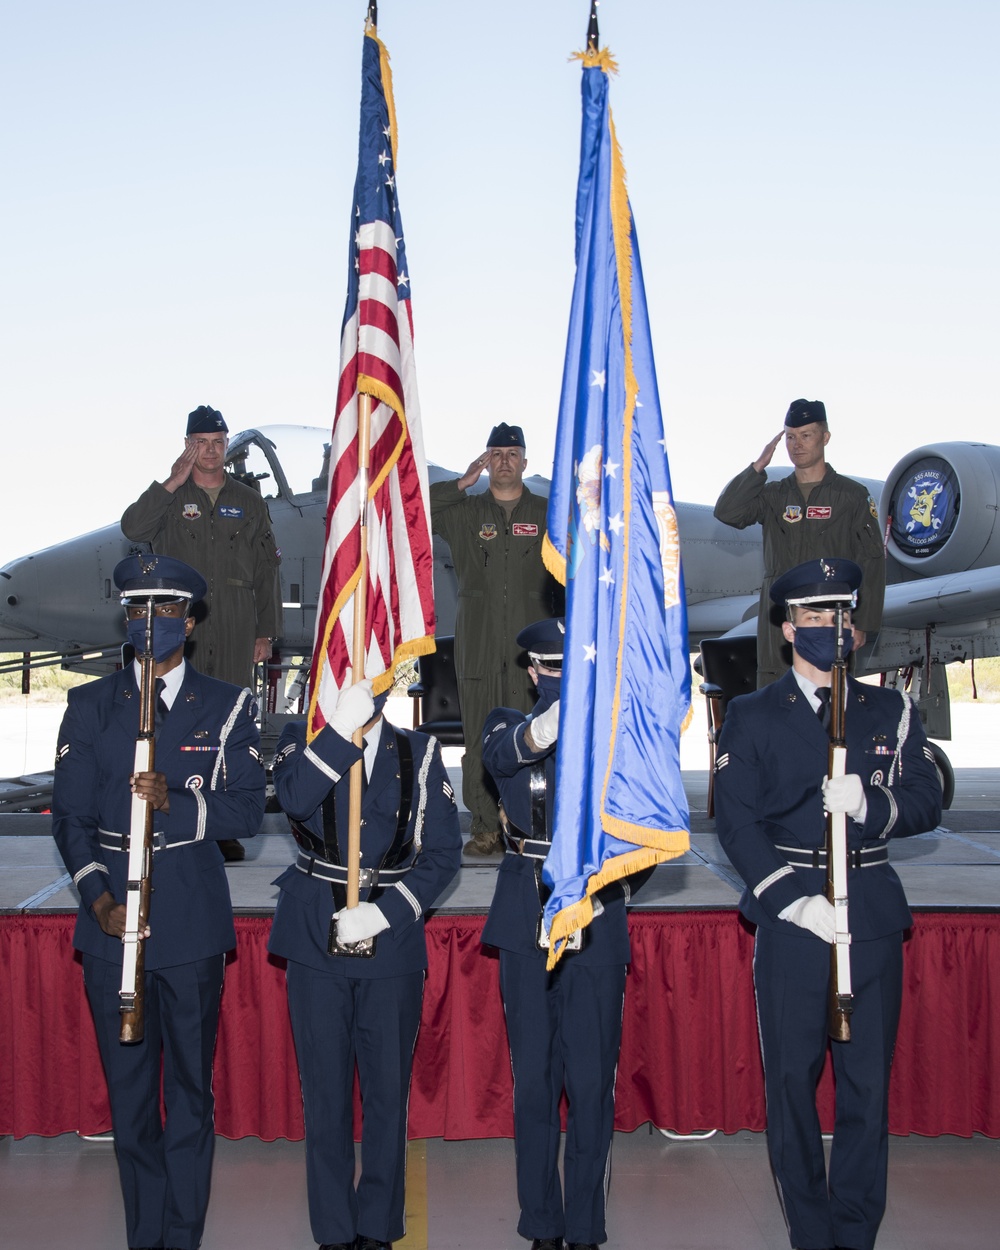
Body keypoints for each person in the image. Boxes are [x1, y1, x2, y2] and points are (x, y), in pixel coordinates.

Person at [714, 558, 942, 1250]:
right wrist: (790, 901)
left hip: (869, 912)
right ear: (787, 629)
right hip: (794, 918)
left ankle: (854, 1232)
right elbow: (735, 822)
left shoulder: (889, 709)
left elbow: (930, 795)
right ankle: (810, 1232)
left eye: (841, 614)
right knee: (791, 1083)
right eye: (815, 616)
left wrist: (874, 805)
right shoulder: (752, 716)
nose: (832, 627)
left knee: (867, 1088)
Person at [52, 554, 266, 1250]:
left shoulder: (229, 706)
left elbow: (244, 813)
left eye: (166, 610)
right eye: (137, 610)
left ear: (191, 620)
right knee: (132, 1098)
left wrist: (180, 801)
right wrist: (98, 899)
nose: (150, 623)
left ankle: (183, 1235)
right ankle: (144, 1235)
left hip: (191, 922)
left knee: (190, 1098)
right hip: (112, 923)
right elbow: (70, 819)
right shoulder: (89, 705)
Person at [268, 680, 462, 1250]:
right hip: (314, 935)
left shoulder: (419, 752)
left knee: (387, 1092)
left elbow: (443, 852)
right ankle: (332, 1230)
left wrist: (386, 915)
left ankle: (377, 1225)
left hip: (391, 940)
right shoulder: (298, 740)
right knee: (324, 1095)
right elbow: (294, 799)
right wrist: (338, 735)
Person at [481, 619, 648, 1250]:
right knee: (535, 1084)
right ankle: (541, 1225)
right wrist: (548, 727)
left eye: (570, 667)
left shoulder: (620, 737)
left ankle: (585, 1225)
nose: (557, 678)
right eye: (548, 668)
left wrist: (611, 893)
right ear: (531, 672)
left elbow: (648, 833)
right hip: (528, 912)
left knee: (590, 1083)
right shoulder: (505, 722)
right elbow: (500, 757)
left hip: (598, 917)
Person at [431, 422, 562, 855]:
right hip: (479, 642)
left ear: (525, 461)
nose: (505, 461)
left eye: (512, 454)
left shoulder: (548, 512)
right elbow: (415, 511)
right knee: (480, 737)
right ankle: (485, 826)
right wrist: (460, 484)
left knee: (537, 734)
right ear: (486, 461)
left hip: (535, 649)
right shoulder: (464, 513)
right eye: (496, 454)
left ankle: (531, 821)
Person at [713, 399, 886, 688]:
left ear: (825, 437)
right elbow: (728, 512)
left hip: (829, 618)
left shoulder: (851, 496)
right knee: (774, 693)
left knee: (829, 699)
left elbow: (872, 560)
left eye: (806, 435)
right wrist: (757, 467)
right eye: (790, 437)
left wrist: (863, 625)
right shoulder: (774, 495)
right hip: (779, 617)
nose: (797, 444)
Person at [121, 404, 282, 690]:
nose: (210, 450)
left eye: (217, 442)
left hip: (236, 622)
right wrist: (172, 481)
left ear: (226, 444)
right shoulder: (169, 498)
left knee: (233, 702)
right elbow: (133, 528)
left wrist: (266, 633)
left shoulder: (250, 501)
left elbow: (266, 569)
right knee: (177, 703)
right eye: (201, 443)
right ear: (187, 446)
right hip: (180, 622)